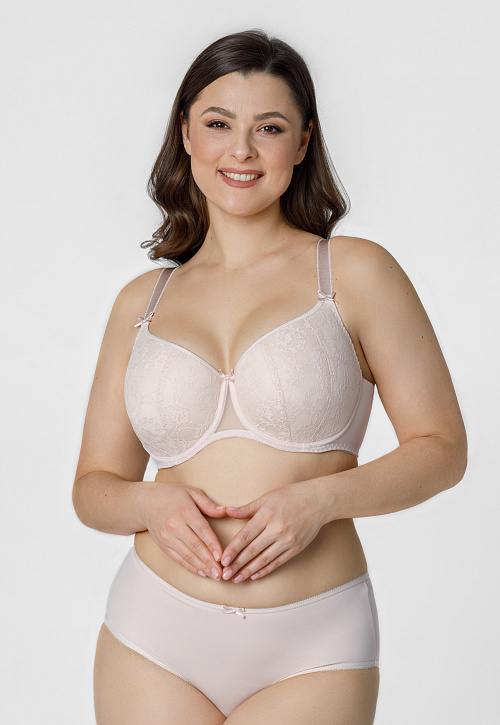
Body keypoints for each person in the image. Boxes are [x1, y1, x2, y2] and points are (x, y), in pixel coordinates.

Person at [73, 29, 467, 725]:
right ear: (185, 133)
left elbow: (443, 448)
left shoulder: (354, 273)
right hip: (154, 634)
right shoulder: (142, 303)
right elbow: (94, 488)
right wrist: (150, 506)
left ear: (304, 141)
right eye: (218, 124)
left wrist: (320, 499)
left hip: (312, 642)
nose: (242, 151)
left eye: (270, 127)